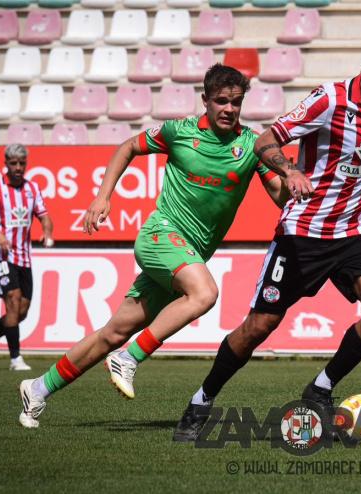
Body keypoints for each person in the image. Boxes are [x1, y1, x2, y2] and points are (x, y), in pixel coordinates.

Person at [172, 34, 361, 442]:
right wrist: (289, 170)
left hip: (359, 228)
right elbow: (265, 140)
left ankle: (320, 388)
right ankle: (201, 399)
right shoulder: (329, 100)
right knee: (259, 326)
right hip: (304, 232)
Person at [16, 64, 289, 429]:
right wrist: (103, 198)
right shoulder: (179, 132)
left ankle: (37, 389)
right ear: (205, 100)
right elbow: (128, 146)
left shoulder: (251, 146)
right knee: (205, 293)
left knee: (112, 333)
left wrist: (298, 183)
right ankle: (130, 359)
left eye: (236, 102)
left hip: (185, 256)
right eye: (221, 101)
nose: (229, 109)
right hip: (160, 236)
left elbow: (278, 196)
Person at [0, 144, 54, 371]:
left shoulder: (33, 189)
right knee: (13, 302)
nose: (18, 168)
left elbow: (44, 216)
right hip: (1, 256)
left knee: (21, 311)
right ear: (6, 164)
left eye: (22, 163)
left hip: (24, 257)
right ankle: (15, 359)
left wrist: (47, 232)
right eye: (13, 163)